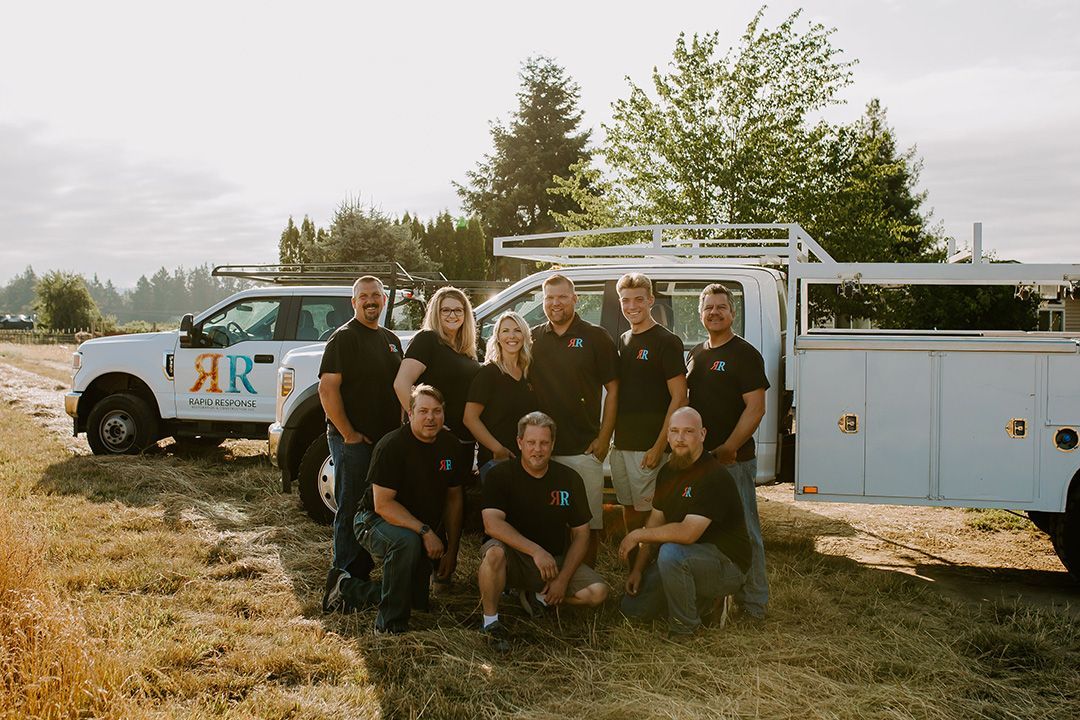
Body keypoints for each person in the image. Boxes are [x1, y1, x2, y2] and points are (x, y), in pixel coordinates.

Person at [324, 385, 465, 633]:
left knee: (414, 600)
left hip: (417, 525)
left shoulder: (451, 445)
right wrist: (425, 532)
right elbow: (383, 504)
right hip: (372, 520)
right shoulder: (392, 446)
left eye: (436, 411)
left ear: (444, 413)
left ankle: (345, 588)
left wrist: (452, 550)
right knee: (407, 542)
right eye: (423, 411)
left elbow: (454, 500)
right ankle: (389, 625)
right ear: (410, 414)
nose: (430, 418)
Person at [477, 412, 610, 650]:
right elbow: (492, 524)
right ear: (519, 443)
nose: (537, 450)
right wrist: (535, 550)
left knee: (597, 592)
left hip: (553, 563)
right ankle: (490, 622)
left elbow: (581, 534)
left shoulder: (569, 479)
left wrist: (563, 579)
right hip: (514, 557)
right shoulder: (500, 475)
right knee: (493, 554)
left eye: (544, 443)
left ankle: (537, 596)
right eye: (531, 443)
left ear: (552, 444)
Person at [619, 407, 751, 638]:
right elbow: (655, 523)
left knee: (670, 553)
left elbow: (688, 533)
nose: (680, 438)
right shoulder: (667, 472)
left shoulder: (714, 475)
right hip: (688, 557)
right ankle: (698, 601)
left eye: (688, 431)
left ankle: (685, 628)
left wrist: (636, 535)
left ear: (702, 435)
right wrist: (638, 569)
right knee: (632, 611)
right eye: (675, 431)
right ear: (667, 436)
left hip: (726, 565)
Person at [685, 283, 770, 620]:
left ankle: (754, 604)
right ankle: (716, 598)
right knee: (705, 531)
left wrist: (730, 447)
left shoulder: (744, 354)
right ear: (701, 313)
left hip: (733, 461)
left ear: (733, 313)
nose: (715, 313)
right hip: (702, 463)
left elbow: (756, 408)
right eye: (709, 308)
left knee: (746, 530)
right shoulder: (696, 353)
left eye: (721, 307)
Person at [319, 275, 403, 609]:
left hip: (384, 443)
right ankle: (343, 580)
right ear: (354, 303)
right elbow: (328, 389)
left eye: (376, 295)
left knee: (372, 509)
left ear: (384, 300)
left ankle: (363, 573)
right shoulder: (344, 339)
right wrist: (349, 434)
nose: (371, 301)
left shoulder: (391, 340)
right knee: (350, 507)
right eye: (364, 296)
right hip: (353, 442)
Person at [530, 274, 618, 566]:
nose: (555, 303)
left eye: (562, 297)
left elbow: (614, 389)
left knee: (588, 524)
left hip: (583, 448)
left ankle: (585, 580)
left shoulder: (596, 336)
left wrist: (604, 438)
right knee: (547, 521)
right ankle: (551, 584)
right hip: (542, 451)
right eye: (549, 297)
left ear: (575, 298)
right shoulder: (533, 338)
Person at [610, 273, 687, 539]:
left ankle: (648, 569)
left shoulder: (667, 341)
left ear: (651, 300)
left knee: (650, 514)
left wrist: (659, 446)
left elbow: (679, 397)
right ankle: (634, 562)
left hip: (648, 447)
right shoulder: (624, 339)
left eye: (638, 300)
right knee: (628, 507)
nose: (632, 306)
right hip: (621, 445)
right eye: (625, 300)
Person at [394, 286, 481, 497]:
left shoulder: (466, 348)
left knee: (454, 496)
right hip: (435, 439)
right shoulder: (427, 340)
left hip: (463, 439)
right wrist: (426, 424)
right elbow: (401, 383)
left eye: (458, 310)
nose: (452, 315)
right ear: (436, 312)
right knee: (430, 498)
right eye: (446, 310)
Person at [463, 311, 539, 483]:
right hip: (496, 460)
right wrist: (498, 449)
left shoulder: (529, 373)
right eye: (505, 331)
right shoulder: (489, 373)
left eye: (517, 330)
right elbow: (470, 418)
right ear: (497, 336)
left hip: (526, 460)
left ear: (525, 335)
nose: (511, 336)